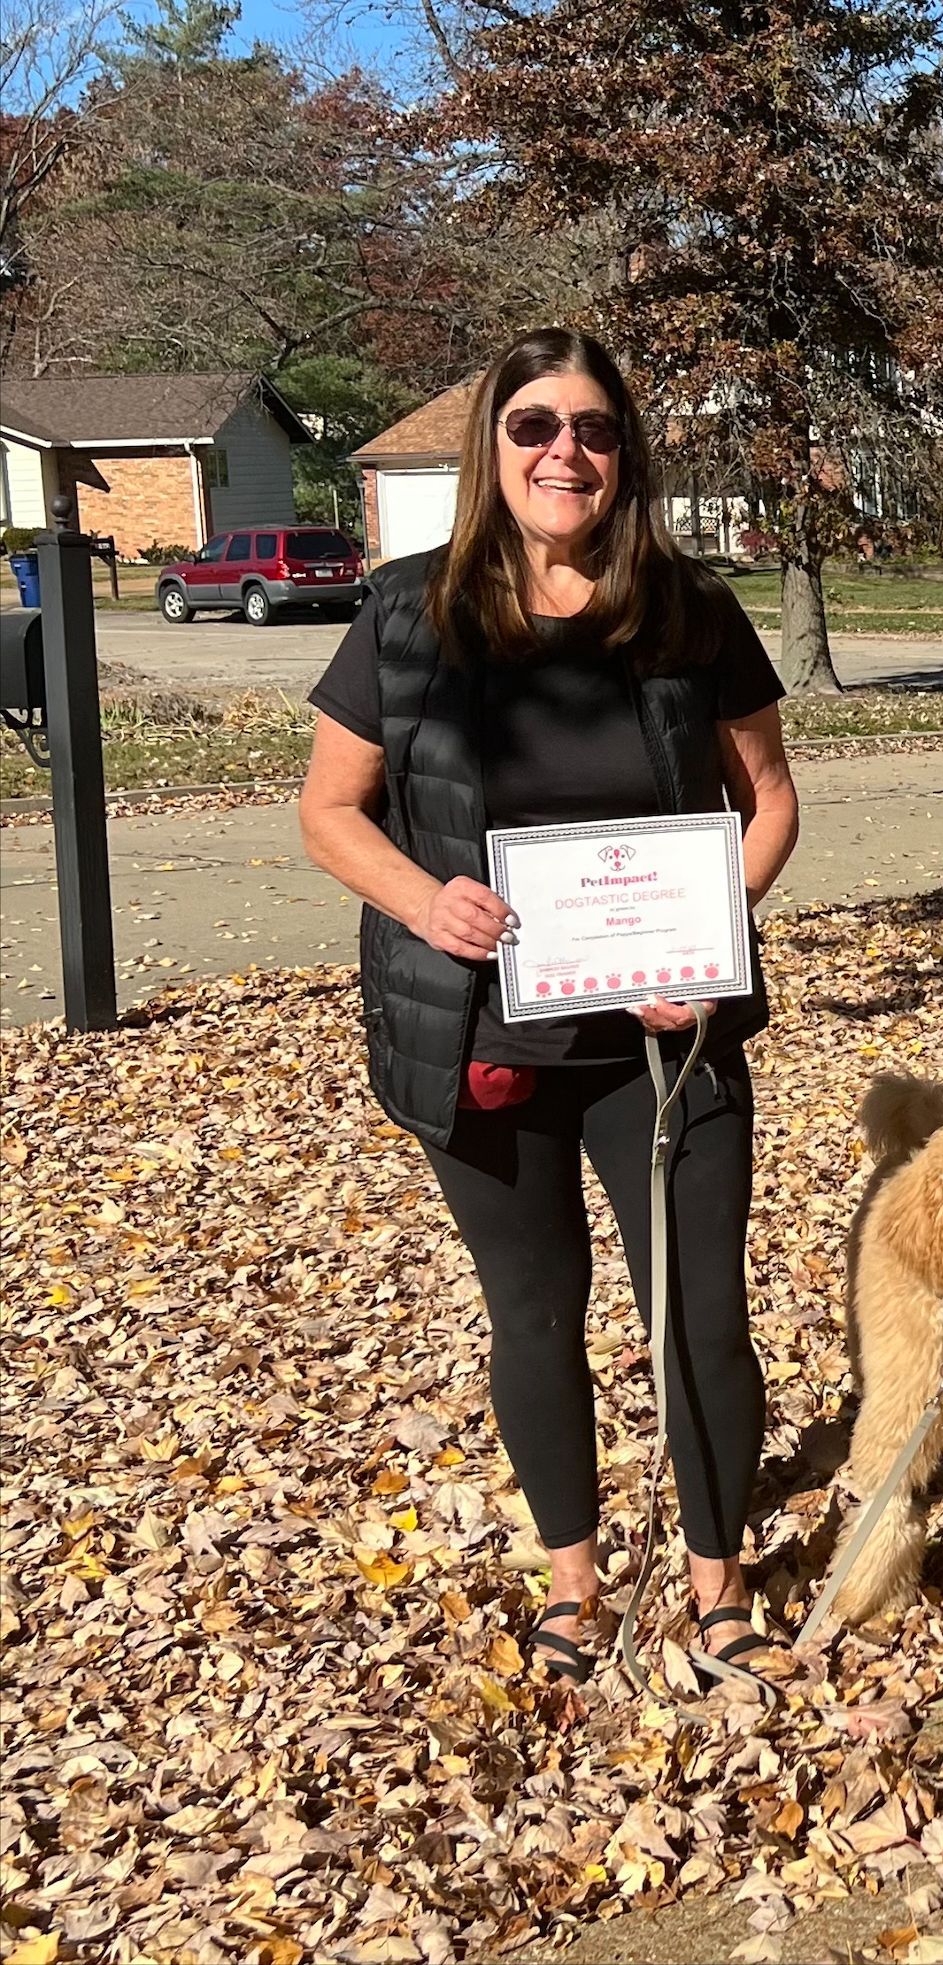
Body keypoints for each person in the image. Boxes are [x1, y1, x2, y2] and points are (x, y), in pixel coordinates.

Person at [299, 325, 799, 1686]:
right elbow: (330, 811)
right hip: (486, 1038)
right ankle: (574, 1586)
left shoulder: (690, 611)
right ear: (493, 447)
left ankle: (717, 1578)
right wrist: (422, 900)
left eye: (591, 427)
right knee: (536, 1310)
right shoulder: (407, 617)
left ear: (623, 454)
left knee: (698, 1310)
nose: (562, 451)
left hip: (665, 1038)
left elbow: (771, 802)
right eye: (533, 426)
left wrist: (714, 934)